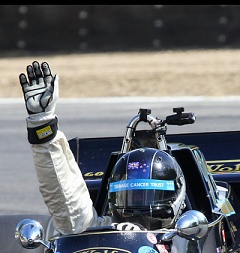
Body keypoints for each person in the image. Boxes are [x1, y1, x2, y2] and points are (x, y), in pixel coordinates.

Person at [18, 60, 187, 235]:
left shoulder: (191, 231)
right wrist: (42, 125)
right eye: (129, 196)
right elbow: (67, 205)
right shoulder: (102, 229)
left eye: (148, 195)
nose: (138, 207)